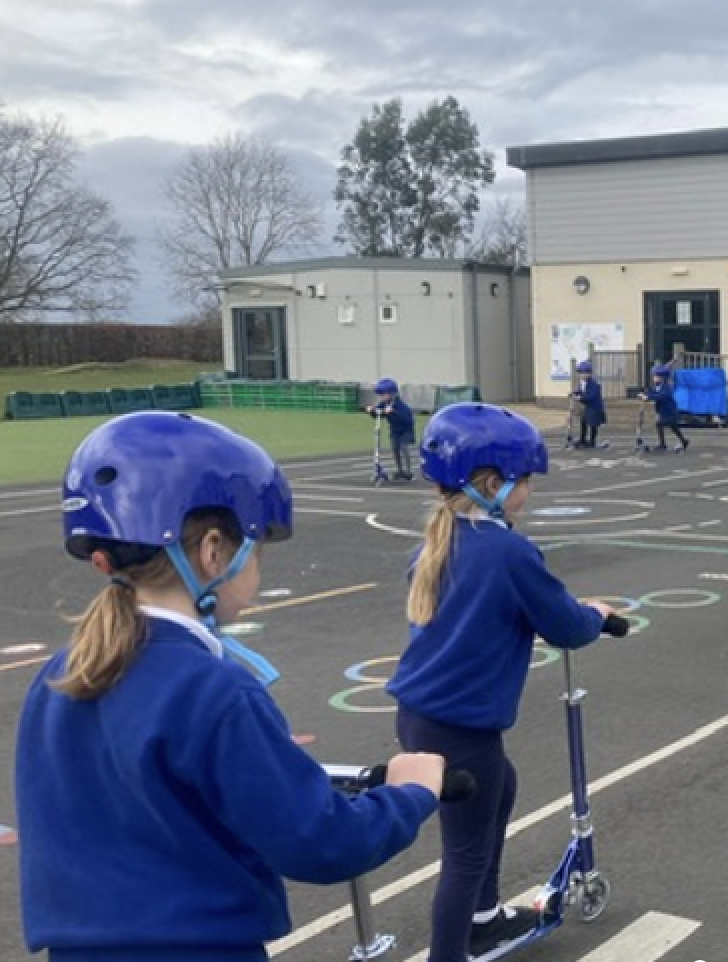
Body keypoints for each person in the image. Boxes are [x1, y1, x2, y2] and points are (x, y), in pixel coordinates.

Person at [17, 411, 446, 962]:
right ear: (214, 552)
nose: (258, 573)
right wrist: (410, 794)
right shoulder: (215, 690)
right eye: (257, 551)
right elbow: (320, 841)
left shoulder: (58, 675)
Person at [387, 403, 624, 962]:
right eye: (525, 483)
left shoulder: (438, 542)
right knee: (464, 853)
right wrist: (596, 615)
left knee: (502, 788)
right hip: (463, 726)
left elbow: (483, 604)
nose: (529, 494)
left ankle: (486, 915)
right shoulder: (509, 551)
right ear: (491, 483)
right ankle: (456, 947)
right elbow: (565, 625)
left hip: (423, 714)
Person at [366, 377, 417, 480]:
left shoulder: (399, 404)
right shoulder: (384, 404)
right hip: (394, 430)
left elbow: (405, 419)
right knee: (395, 448)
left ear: (391, 393)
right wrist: (372, 410)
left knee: (403, 447)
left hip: (406, 430)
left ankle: (408, 471)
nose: (382, 397)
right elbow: (379, 413)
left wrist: (393, 412)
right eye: (380, 394)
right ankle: (400, 470)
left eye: (383, 394)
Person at [641, 363, 689, 452]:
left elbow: (661, 396)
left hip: (670, 413)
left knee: (659, 424)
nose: (654, 378)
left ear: (662, 378)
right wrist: (645, 394)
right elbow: (653, 393)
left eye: (656, 376)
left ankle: (663, 445)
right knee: (674, 427)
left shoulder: (666, 387)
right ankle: (684, 441)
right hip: (665, 413)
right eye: (654, 376)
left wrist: (648, 397)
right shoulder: (657, 387)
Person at [570, 360, 607, 448]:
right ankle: (582, 439)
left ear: (589, 374)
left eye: (584, 373)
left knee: (593, 424)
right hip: (589, 407)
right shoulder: (583, 383)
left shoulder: (594, 384)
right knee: (583, 421)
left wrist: (580, 398)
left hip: (595, 407)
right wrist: (574, 393)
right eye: (580, 373)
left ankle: (592, 441)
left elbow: (591, 396)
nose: (582, 375)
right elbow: (581, 391)